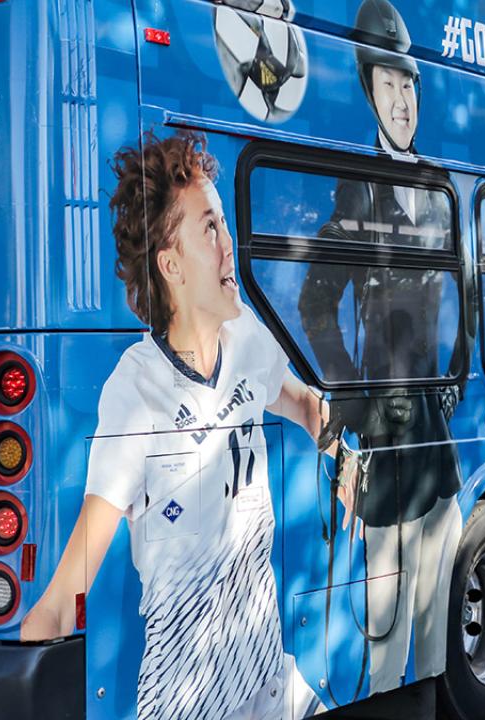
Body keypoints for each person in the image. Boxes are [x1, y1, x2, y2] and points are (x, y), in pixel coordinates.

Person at [20, 131, 328, 718]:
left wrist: (344, 452)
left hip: (273, 688)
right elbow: (61, 600)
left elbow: (307, 406)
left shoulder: (246, 339)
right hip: (187, 704)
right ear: (171, 265)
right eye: (209, 229)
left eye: (224, 224)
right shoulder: (136, 393)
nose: (229, 245)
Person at [298, 0, 469, 692]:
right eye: (387, 86)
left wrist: (457, 371)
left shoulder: (441, 188)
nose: (402, 102)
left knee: (435, 622)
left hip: (435, 441)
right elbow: (314, 304)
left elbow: (470, 291)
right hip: (388, 444)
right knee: (388, 634)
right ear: (369, 93)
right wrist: (354, 400)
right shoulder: (358, 189)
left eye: (408, 85)